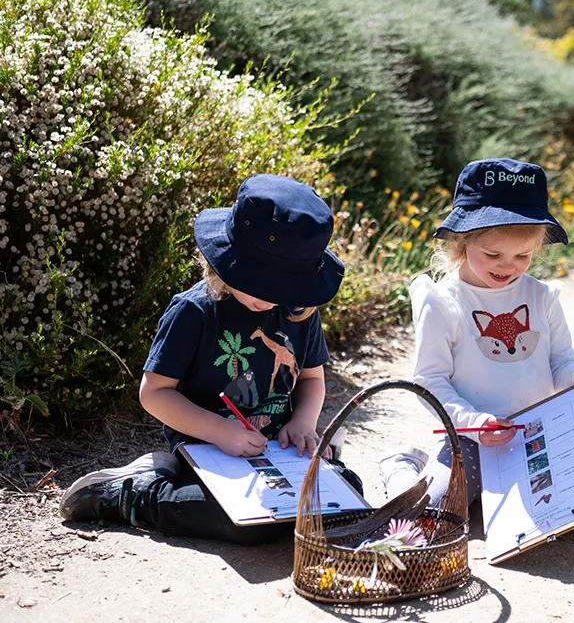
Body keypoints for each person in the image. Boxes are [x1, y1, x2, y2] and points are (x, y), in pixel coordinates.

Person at [59, 174, 360, 544]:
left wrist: (302, 422)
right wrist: (221, 432)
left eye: (284, 288)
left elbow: (312, 379)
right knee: (247, 526)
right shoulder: (194, 311)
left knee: (348, 494)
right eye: (261, 284)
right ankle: (137, 493)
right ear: (228, 260)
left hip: (278, 455)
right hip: (208, 450)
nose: (270, 299)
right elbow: (154, 393)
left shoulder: (299, 312)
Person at [379, 158, 574, 509]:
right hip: (471, 439)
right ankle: (402, 467)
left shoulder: (541, 297)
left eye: (523, 255)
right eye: (493, 253)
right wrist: (475, 422)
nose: (507, 266)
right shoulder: (443, 303)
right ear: (462, 240)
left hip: (534, 435)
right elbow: (429, 381)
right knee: (432, 511)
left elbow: (560, 361)